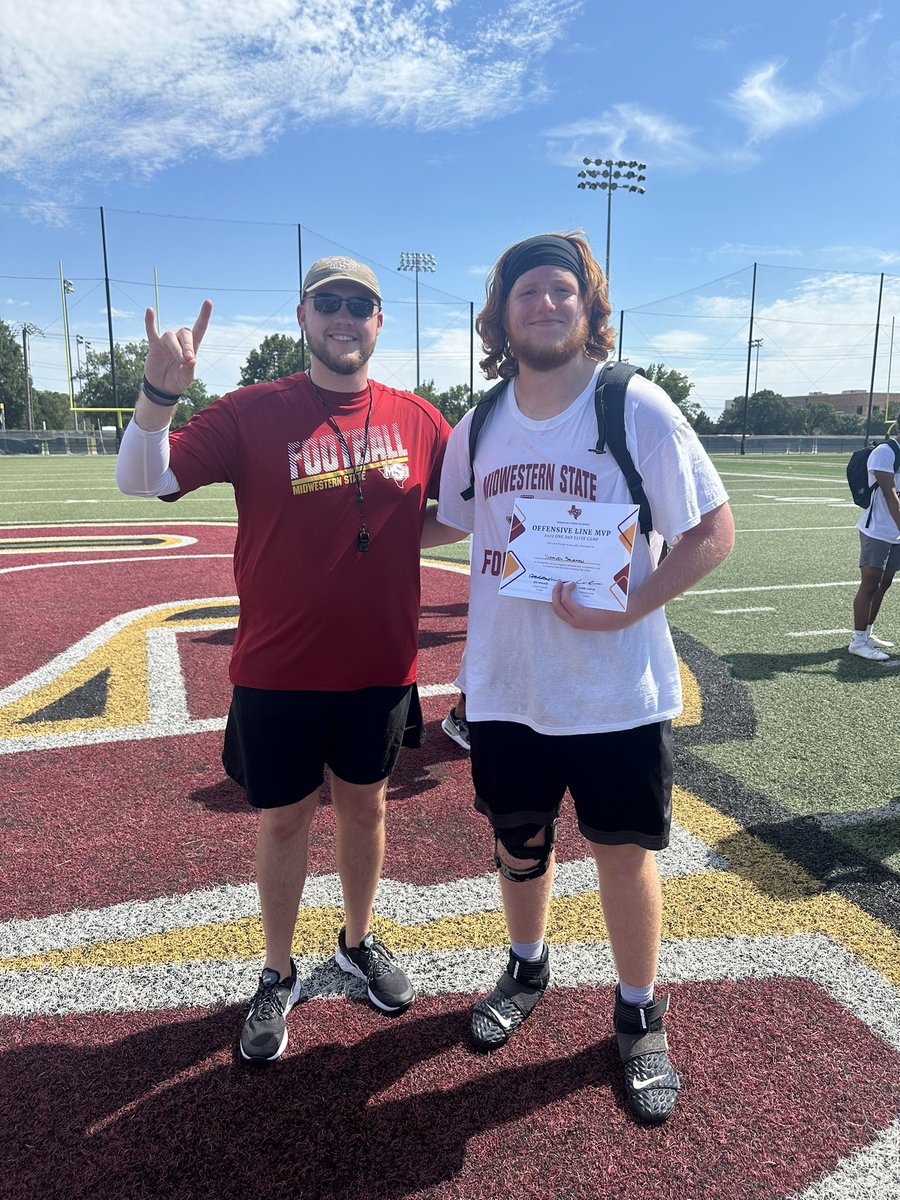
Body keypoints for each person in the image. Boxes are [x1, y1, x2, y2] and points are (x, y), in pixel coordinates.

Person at [116, 256, 453, 1062]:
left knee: (368, 808)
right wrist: (158, 395)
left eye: (360, 305)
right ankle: (276, 971)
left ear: (380, 321)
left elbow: (460, 510)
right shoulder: (251, 410)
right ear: (302, 316)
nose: (345, 316)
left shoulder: (419, 418)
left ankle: (357, 941)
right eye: (328, 302)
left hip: (381, 665)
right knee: (284, 821)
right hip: (278, 668)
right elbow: (141, 480)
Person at [435, 231, 734, 1125]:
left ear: (590, 309)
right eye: (527, 292)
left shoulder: (635, 406)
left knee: (621, 853)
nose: (546, 303)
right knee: (518, 844)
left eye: (563, 290)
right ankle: (527, 967)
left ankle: (640, 1008)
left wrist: (629, 606)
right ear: (501, 317)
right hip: (508, 685)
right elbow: (445, 526)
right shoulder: (480, 422)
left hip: (615, 690)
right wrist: (331, 530)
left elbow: (713, 533)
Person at [848, 428, 900, 661]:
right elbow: (890, 495)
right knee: (870, 584)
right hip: (877, 529)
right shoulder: (885, 452)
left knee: (884, 584)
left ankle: (867, 633)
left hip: (895, 532)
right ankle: (858, 642)